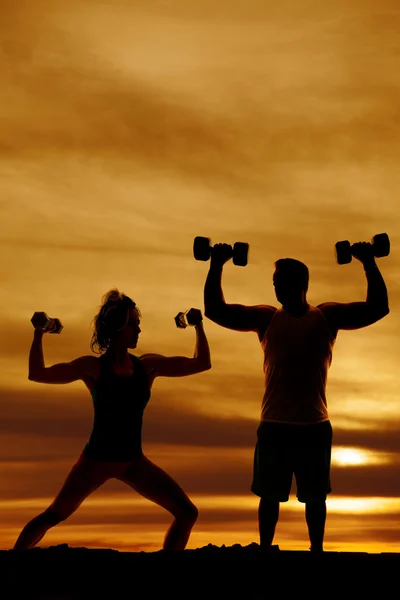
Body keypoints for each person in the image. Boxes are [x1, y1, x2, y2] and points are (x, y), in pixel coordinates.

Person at [203, 241, 389, 552]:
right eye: (274, 283)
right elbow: (215, 311)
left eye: (280, 282)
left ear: (300, 284)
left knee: (315, 497)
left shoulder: (326, 316)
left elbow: (377, 308)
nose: (275, 288)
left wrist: (369, 261)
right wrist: (216, 264)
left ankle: (316, 551)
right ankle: (265, 549)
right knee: (269, 496)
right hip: (274, 423)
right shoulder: (266, 319)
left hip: (314, 425)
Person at [14, 289, 211, 551]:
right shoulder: (93, 368)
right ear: (118, 328)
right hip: (95, 461)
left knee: (188, 513)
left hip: (133, 461)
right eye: (134, 325)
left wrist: (198, 326)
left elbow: (201, 363)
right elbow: (38, 374)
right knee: (54, 515)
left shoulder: (147, 366)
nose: (139, 331)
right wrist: (39, 332)